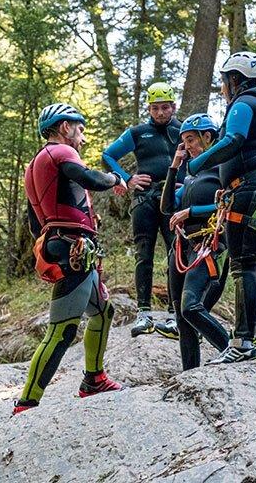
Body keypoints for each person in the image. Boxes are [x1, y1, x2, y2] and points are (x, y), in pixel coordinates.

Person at [14, 103, 123, 415]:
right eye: (80, 128)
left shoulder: (37, 164)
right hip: (73, 248)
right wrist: (116, 178)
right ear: (64, 127)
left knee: (103, 312)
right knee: (61, 330)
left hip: (67, 245)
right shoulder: (60, 153)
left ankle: (94, 379)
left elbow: (36, 223)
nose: (83, 136)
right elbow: (90, 178)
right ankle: (27, 403)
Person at [187, 52, 256, 364]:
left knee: (244, 266)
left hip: (250, 190)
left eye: (224, 80)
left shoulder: (244, 103)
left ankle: (242, 342)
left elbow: (233, 140)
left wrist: (198, 163)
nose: (223, 88)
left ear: (235, 79)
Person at [103, 83, 182, 339]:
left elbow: (202, 155)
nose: (160, 113)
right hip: (144, 199)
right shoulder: (138, 132)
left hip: (174, 198)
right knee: (143, 255)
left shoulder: (183, 130)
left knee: (176, 253)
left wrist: (189, 182)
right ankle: (144, 313)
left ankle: (174, 314)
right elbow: (109, 155)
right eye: (155, 108)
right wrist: (127, 178)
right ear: (149, 108)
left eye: (165, 107)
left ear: (173, 106)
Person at [161, 113, 230, 370]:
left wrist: (191, 212)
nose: (187, 146)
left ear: (208, 137)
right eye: (184, 142)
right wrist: (173, 167)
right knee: (181, 316)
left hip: (209, 244)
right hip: (183, 247)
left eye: (191, 140)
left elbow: (226, 202)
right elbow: (167, 207)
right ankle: (190, 372)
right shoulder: (189, 176)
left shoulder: (222, 168)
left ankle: (231, 348)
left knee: (191, 307)